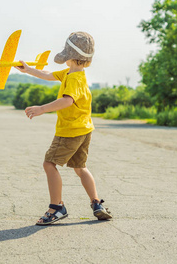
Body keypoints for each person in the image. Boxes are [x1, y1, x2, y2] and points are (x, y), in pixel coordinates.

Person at [15, 31, 112, 225]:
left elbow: (67, 101)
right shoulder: (74, 74)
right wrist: (28, 69)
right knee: (80, 167)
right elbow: (49, 75)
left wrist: (42, 108)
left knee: (49, 164)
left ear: (70, 57)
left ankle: (57, 208)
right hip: (84, 130)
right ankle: (96, 203)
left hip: (70, 131)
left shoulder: (74, 79)